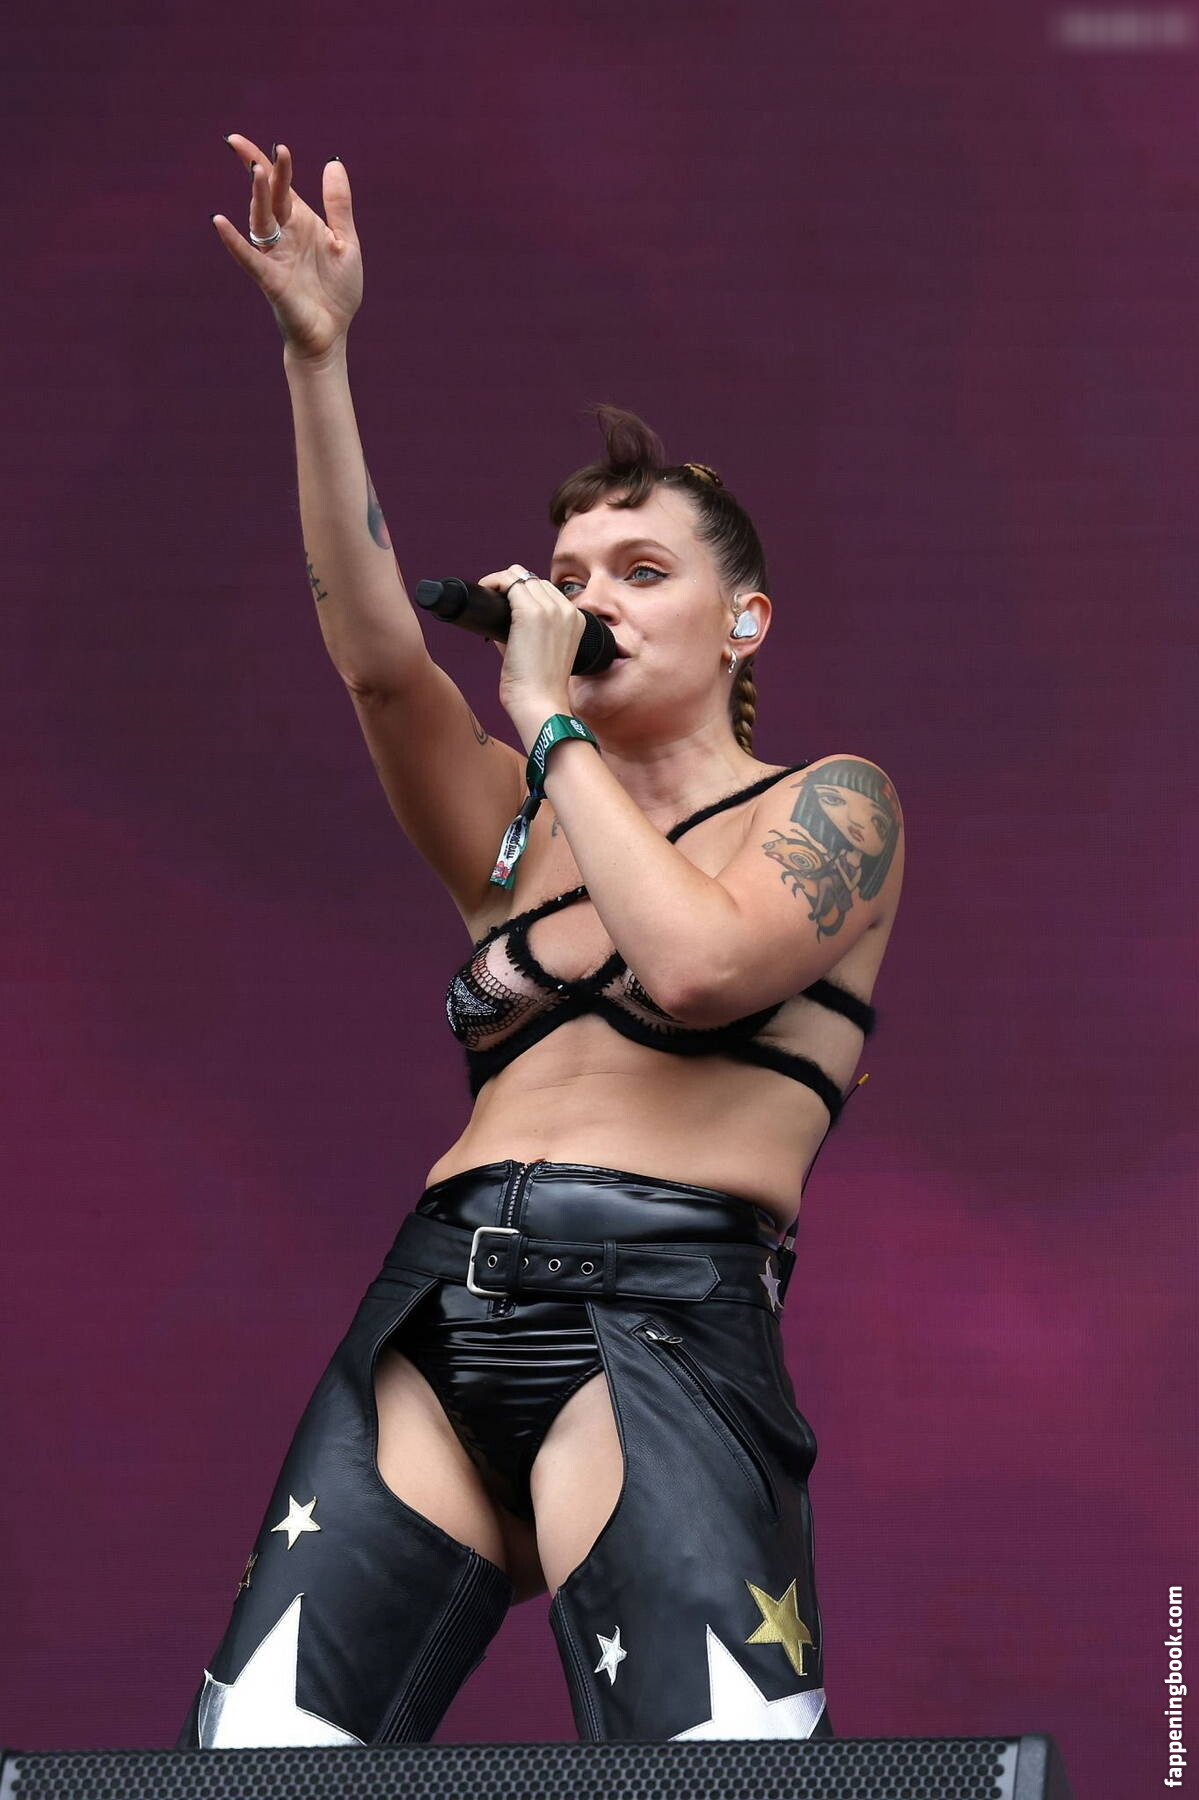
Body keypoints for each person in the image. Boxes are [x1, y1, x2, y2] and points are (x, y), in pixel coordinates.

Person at [182, 133, 905, 1751]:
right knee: (259, 1759)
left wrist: (549, 724)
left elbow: (701, 968)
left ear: (745, 623)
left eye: (641, 572)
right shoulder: (519, 824)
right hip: (434, 1306)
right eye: (569, 575)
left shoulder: (833, 805)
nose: (589, 602)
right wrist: (319, 357)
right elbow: (379, 661)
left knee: (712, 1768)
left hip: (662, 1308)